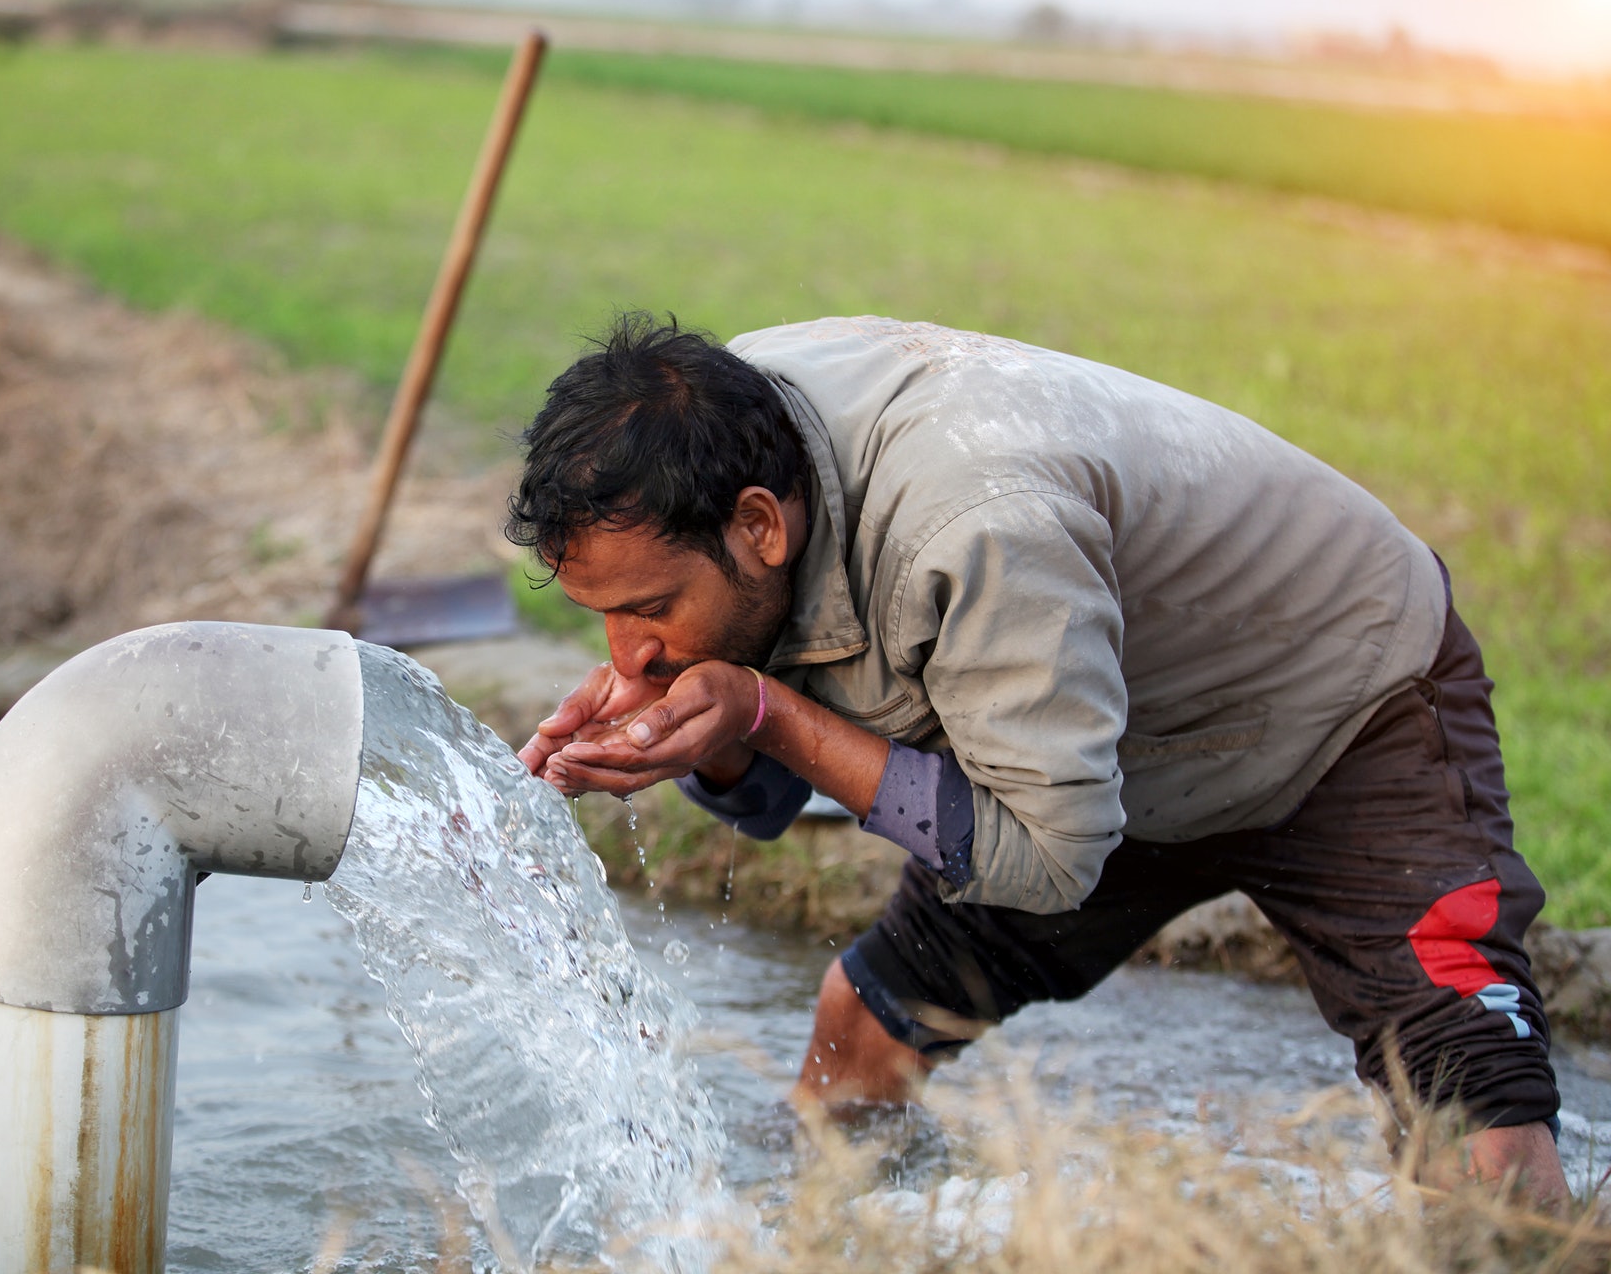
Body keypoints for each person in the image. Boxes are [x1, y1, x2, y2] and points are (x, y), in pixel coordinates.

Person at [505, 311, 1565, 1204]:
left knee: (1479, 1131)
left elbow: (1055, 863)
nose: (629, 653)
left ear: (760, 527)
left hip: (1338, 700)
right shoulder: (723, 447)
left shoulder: (974, 523)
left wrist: (766, 714)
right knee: (861, 1030)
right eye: (605, 617)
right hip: (1085, 745)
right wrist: (714, 720)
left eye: (648, 611)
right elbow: (780, 790)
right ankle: (836, 1240)